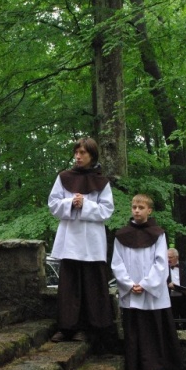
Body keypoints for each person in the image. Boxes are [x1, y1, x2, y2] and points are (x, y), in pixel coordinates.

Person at [48, 137, 115, 345]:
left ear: (92, 156)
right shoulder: (64, 177)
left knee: (91, 287)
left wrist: (85, 204)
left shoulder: (101, 182)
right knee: (69, 286)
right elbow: (53, 204)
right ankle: (67, 327)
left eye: (82, 153)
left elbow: (106, 210)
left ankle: (90, 329)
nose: (78, 156)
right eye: (76, 153)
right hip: (70, 240)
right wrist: (71, 203)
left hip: (91, 241)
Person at [111, 195, 182, 370]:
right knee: (133, 329)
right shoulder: (121, 235)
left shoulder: (158, 234)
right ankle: (134, 365)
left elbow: (161, 263)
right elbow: (117, 263)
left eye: (141, 207)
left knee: (153, 329)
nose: (136, 210)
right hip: (131, 291)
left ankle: (155, 364)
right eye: (134, 207)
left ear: (149, 210)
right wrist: (128, 284)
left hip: (151, 292)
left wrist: (145, 284)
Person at [167, 248, 186, 329]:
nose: (168, 260)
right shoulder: (163, 268)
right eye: (167, 257)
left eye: (170, 257)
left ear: (177, 257)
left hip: (185, 299)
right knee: (172, 322)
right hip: (170, 299)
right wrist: (168, 285)